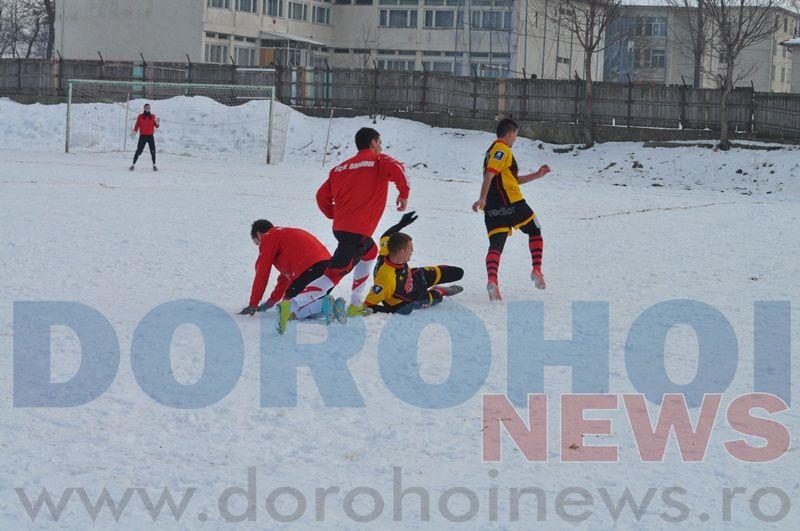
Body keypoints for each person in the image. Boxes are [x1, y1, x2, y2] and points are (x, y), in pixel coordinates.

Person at [276, 127, 410, 334]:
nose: (381, 147)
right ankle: (291, 305)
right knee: (332, 275)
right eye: (380, 143)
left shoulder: (340, 168)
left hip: (342, 229)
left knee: (370, 251)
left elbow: (321, 196)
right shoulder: (378, 160)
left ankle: (355, 304)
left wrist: (334, 214)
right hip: (356, 232)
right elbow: (399, 169)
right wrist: (404, 194)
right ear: (373, 143)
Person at [472, 118, 551, 301]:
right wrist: (481, 198)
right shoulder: (502, 150)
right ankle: (536, 269)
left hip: (493, 210)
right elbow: (490, 175)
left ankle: (492, 281)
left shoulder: (491, 151)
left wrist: (537, 175)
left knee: (495, 246)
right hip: (512, 204)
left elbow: (510, 180)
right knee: (535, 229)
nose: (515, 138)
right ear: (510, 134)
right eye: (516, 135)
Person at [239, 220, 346, 324]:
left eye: (256, 241)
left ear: (259, 234)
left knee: (287, 309)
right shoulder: (285, 237)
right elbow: (285, 278)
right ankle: (332, 307)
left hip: (309, 269)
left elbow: (262, 272)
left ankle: (322, 304)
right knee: (308, 305)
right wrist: (271, 302)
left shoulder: (268, 237)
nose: (259, 245)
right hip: (327, 269)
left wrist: (253, 304)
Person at [358, 212, 464, 314]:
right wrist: (394, 309)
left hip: (416, 276)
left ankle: (435, 280)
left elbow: (386, 236)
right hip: (414, 297)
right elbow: (367, 305)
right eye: (410, 248)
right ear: (401, 252)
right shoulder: (386, 280)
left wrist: (402, 223)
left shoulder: (388, 250)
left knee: (458, 273)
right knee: (437, 297)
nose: (413, 251)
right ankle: (440, 290)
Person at [130, 103, 159, 172]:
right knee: (138, 151)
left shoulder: (153, 116)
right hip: (142, 136)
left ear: (150, 108)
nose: (147, 108)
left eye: (148, 107)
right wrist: (134, 132)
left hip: (150, 136)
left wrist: (157, 122)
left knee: (153, 151)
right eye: (146, 107)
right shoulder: (140, 116)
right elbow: (137, 125)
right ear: (144, 108)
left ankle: (154, 165)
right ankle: (133, 165)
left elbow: (156, 126)